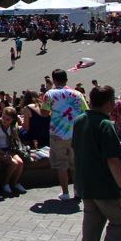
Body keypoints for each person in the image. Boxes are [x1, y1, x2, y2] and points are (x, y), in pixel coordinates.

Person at [73, 85, 121, 241]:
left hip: (86, 184)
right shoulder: (105, 124)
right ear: (109, 103)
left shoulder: (80, 120)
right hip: (105, 186)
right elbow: (113, 160)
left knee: (91, 225)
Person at [41, 68, 88, 200]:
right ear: (66, 79)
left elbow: (44, 113)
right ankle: (78, 191)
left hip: (58, 133)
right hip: (76, 134)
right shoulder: (77, 94)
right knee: (76, 164)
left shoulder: (50, 94)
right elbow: (86, 111)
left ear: (54, 80)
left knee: (62, 165)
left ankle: (65, 192)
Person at [0, 106, 27, 195]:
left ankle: (15, 183)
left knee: (20, 163)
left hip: (8, 149)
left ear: (12, 120)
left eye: (8, 119)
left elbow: (15, 139)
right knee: (13, 163)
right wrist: (1, 152)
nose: (4, 120)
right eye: (3, 117)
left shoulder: (12, 126)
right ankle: (5, 183)